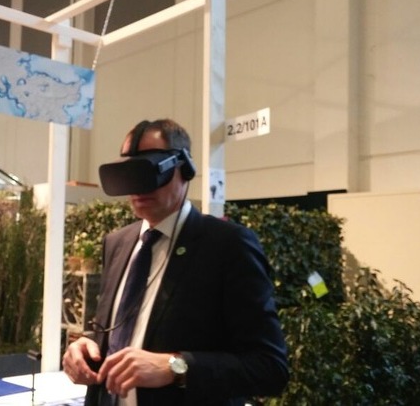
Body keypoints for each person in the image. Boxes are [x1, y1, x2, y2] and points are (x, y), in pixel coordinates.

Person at [62, 119, 289, 406]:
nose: (138, 186)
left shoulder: (227, 245)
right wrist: (86, 348)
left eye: (150, 171)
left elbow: (269, 367)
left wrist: (175, 367)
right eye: (131, 173)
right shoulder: (117, 243)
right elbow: (115, 332)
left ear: (184, 169)